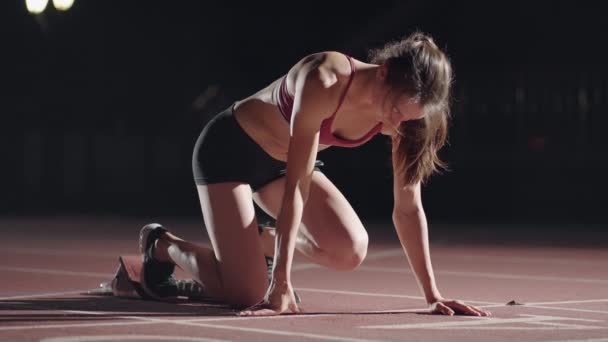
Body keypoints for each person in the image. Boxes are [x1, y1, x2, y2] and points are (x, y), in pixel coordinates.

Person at [138, 31, 492, 317]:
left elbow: (408, 207)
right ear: (383, 72)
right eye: (395, 110)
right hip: (230, 152)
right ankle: (162, 245)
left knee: (350, 249)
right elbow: (297, 186)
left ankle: (259, 243)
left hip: (279, 165)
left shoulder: (409, 117)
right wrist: (280, 282)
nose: (397, 124)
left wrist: (433, 295)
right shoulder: (325, 78)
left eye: (409, 118)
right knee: (245, 293)